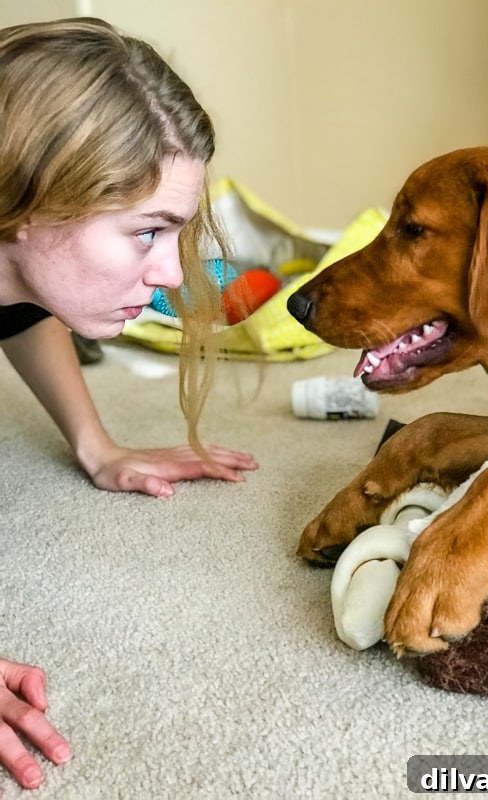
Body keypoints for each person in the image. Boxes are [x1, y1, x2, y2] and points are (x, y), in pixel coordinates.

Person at [0, 17, 258, 789]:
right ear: (28, 202)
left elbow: (18, 305)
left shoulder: (16, 251)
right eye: (147, 232)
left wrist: (96, 444)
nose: (174, 276)